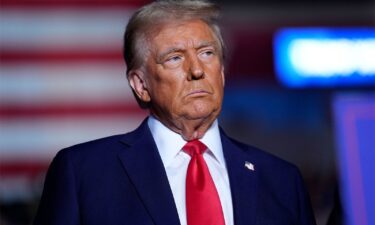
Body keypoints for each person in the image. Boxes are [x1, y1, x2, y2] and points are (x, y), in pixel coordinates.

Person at [33, 1, 317, 225]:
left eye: (207, 53)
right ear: (141, 85)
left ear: (221, 71)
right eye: (175, 58)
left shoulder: (281, 179)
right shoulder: (84, 174)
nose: (196, 70)